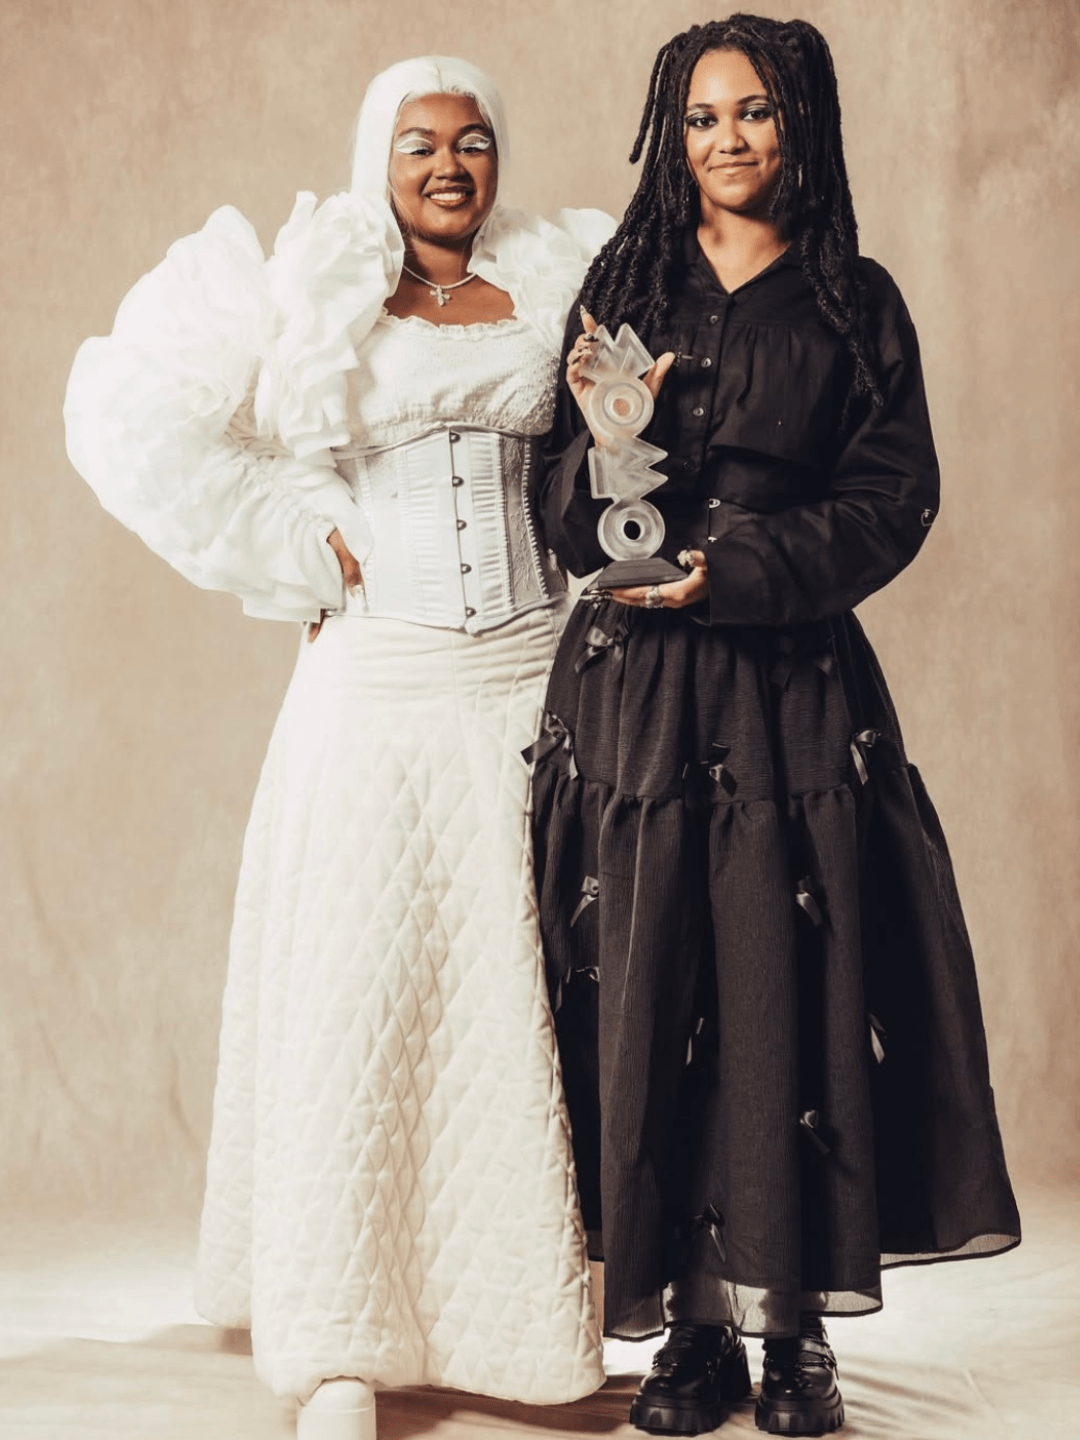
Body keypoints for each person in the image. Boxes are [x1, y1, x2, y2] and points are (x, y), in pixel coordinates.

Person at [64, 55, 614, 1440]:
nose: (448, 165)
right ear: (381, 156)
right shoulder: (316, 291)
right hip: (377, 687)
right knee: (363, 1002)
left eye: (472, 141)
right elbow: (150, 419)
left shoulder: (559, 281)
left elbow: (617, 445)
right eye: (420, 142)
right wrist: (308, 533)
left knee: (543, 1004)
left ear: (498, 158)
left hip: (533, 681)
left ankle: (535, 1319)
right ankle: (337, 1349)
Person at [527, 16, 1021, 1437]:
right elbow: (559, 497)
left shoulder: (855, 300)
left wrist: (733, 572)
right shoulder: (624, 286)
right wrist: (608, 446)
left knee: (784, 985)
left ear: (800, 122)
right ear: (669, 137)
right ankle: (691, 1332)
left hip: (791, 690)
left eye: (752, 112)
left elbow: (891, 500)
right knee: (655, 983)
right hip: (633, 698)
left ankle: (793, 1328)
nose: (726, 140)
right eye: (699, 118)